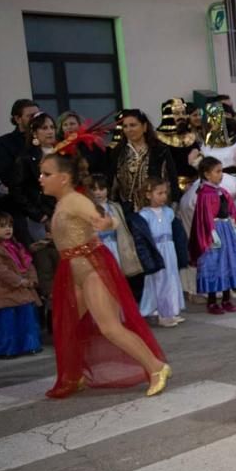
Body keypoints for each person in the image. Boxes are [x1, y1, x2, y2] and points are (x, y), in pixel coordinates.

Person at [39, 150, 170, 399]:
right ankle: (74, 375)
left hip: (91, 269)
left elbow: (109, 221)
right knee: (67, 325)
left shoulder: (77, 201)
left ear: (64, 178)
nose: (41, 179)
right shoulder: (63, 202)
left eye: (47, 174)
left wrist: (105, 224)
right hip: (72, 269)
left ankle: (156, 367)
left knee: (109, 326)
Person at [189, 156, 236, 315]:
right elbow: (205, 216)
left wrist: (235, 226)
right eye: (218, 171)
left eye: (221, 171)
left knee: (227, 262)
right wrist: (211, 232)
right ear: (207, 174)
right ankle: (212, 301)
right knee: (213, 264)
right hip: (214, 232)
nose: (221, 175)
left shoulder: (222, 192)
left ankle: (227, 298)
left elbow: (231, 210)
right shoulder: (204, 194)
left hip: (226, 230)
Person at [107, 109, 180, 211]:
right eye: (125, 126)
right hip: (127, 210)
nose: (129, 129)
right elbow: (112, 181)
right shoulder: (118, 152)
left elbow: (172, 177)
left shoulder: (159, 150)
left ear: (144, 127)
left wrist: (175, 202)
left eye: (133, 125)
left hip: (156, 207)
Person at [138, 178, 185, 327]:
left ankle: (171, 309)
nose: (163, 197)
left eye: (165, 193)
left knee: (171, 278)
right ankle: (159, 312)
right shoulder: (144, 215)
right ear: (148, 195)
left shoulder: (169, 212)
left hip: (169, 249)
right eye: (159, 193)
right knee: (157, 280)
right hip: (156, 250)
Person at [0, 211, 42, 357]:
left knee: (28, 319)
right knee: (7, 322)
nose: (8, 229)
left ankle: (30, 345)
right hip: (5, 290)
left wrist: (32, 279)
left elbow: (29, 264)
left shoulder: (17, 246)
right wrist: (19, 281)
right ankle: (7, 349)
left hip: (23, 289)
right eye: (2, 226)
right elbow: (1, 270)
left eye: (10, 225)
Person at [10, 112, 58, 245]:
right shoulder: (25, 158)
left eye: (52, 127)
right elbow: (16, 190)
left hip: (65, 210)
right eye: (44, 128)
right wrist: (39, 215)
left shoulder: (64, 152)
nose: (50, 131)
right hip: (40, 216)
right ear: (35, 133)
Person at [0, 99, 39, 187]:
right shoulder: (5, 143)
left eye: (38, 115)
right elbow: (8, 177)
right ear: (17, 119)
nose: (36, 119)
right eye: (31, 116)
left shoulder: (47, 137)